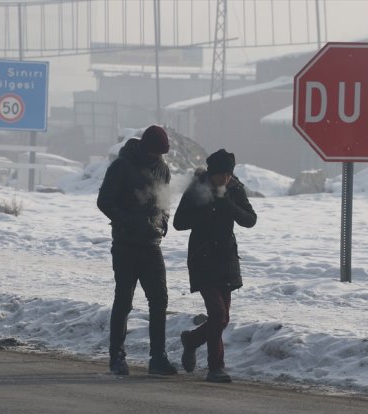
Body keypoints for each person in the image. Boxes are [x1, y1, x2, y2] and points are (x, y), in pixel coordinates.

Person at [97, 125, 177, 376]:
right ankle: (117, 357)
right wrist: (132, 221)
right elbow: (104, 201)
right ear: (145, 147)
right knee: (124, 300)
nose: (157, 157)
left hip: (151, 245)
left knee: (159, 300)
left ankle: (158, 357)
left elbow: (164, 201)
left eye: (161, 154)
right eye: (154, 152)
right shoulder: (122, 166)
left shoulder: (162, 169)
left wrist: (163, 222)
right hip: (125, 244)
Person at [173, 149, 257, 383]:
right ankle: (216, 367)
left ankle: (191, 340)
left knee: (222, 319)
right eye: (221, 175)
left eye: (229, 175)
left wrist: (230, 207)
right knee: (217, 314)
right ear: (211, 173)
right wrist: (207, 211)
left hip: (226, 258)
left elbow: (250, 220)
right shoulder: (197, 188)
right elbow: (179, 222)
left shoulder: (234, 189)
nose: (225, 179)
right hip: (202, 257)